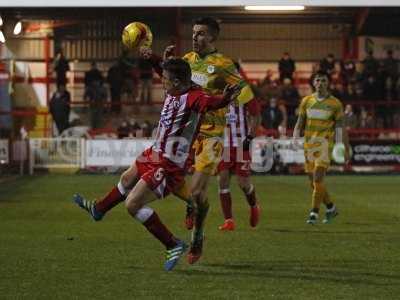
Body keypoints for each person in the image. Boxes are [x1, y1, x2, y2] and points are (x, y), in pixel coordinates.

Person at [73, 58, 241, 271]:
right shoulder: (176, 89)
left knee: (133, 204)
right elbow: (161, 69)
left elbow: (211, 103)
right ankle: (99, 209)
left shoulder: (194, 97)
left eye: (166, 80)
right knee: (126, 178)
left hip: (169, 165)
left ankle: (173, 244)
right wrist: (152, 56)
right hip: (155, 152)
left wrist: (225, 99)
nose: (162, 82)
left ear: (178, 82)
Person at [159, 17, 255, 263]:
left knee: (198, 189)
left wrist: (253, 122)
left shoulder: (224, 65)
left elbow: (247, 98)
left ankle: (197, 237)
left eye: (200, 33)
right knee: (170, 180)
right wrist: (165, 62)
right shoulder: (188, 61)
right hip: (187, 133)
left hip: (212, 135)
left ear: (213, 37)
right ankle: (192, 205)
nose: (194, 37)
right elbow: (172, 83)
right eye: (193, 33)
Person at [292, 70, 350, 225]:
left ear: (328, 83)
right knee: (313, 182)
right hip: (309, 145)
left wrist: (339, 145)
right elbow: (300, 121)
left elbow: (339, 126)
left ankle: (314, 213)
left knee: (318, 178)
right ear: (313, 83)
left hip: (325, 144)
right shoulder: (306, 101)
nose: (320, 83)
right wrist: (295, 137)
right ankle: (331, 207)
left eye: (323, 80)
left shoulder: (335, 103)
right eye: (318, 80)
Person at [217, 96, 261, 231]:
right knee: (222, 181)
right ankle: (228, 220)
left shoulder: (245, 95)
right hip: (225, 146)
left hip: (242, 146)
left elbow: (256, 116)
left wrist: (250, 136)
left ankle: (254, 206)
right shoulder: (219, 96)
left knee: (243, 184)